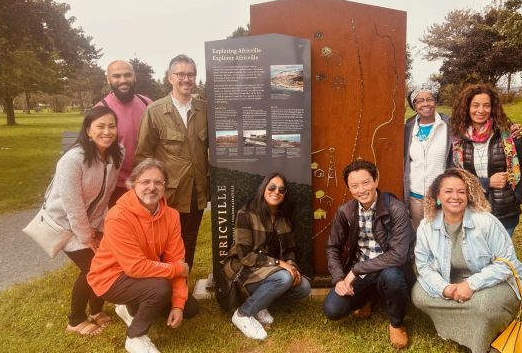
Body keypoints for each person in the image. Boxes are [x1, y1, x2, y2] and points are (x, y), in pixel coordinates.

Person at [412, 167, 522, 353]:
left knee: (483, 305)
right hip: (452, 282)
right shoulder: (426, 226)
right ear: (437, 196)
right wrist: (444, 288)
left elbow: (506, 263)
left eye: (462, 192)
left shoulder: (485, 221)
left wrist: (472, 284)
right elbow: (423, 265)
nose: (456, 196)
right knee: (418, 295)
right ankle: (468, 324)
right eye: (448, 191)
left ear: (468, 196)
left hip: (494, 282)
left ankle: (486, 335)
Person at [87, 158, 199, 353]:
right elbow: (136, 267)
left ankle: (129, 307)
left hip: (144, 274)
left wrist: (179, 305)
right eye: (145, 182)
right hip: (110, 278)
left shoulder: (171, 215)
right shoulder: (118, 216)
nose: (152, 187)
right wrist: (177, 269)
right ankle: (135, 337)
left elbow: (176, 258)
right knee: (160, 289)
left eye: (158, 182)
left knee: (190, 308)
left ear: (165, 186)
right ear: (133, 184)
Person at [44, 106, 124, 335]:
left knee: (106, 261)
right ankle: (75, 320)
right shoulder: (72, 160)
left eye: (111, 126)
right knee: (92, 268)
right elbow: (72, 205)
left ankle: (96, 310)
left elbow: (106, 195)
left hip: (95, 222)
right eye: (100, 127)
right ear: (88, 131)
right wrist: (87, 236)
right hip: (65, 224)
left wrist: (101, 228)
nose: (107, 131)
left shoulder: (116, 153)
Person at [323, 160, 415, 350]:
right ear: (349, 188)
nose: (361, 190)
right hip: (364, 273)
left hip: (390, 269)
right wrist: (339, 279)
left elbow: (398, 255)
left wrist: (355, 270)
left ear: (376, 180)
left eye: (366, 183)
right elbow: (332, 247)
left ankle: (396, 323)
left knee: (392, 276)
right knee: (333, 310)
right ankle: (369, 298)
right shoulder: (345, 211)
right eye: (354, 186)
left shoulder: (396, 209)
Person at [135, 54, 208, 269]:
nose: (186, 79)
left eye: (191, 74)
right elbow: (143, 156)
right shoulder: (154, 111)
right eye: (181, 74)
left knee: (189, 242)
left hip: (196, 191)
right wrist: (148, 192)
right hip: (168, 194)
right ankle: (161, 292)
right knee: (163, 245)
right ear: (170, 78)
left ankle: (182, 291)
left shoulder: (205, 109)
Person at [223, 172, 311, 340]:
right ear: (263, 189)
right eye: (271, 187)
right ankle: (243, 313)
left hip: (271, 272)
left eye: (281, 189)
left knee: (304, 287)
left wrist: (292, 265)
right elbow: (245, 256)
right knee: (283, 278)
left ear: (285, 195)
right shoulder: (247, 214)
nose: (276, 191)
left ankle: (260, 303)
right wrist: (280, 264)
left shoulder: (283, 219)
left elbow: (290, 249)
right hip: (244, 269)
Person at [450, 84, 522, 236]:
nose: (481, 110)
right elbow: (454, 176)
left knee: (500, 258)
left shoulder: (509, 133)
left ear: (492, 108)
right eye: (475, 105)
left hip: (505, 212)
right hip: (470, 209)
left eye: (486, 105)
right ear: (467, 107)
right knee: (475, 257)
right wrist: (487, 182)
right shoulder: (457, 138)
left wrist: (517, 196)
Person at [96, 60, 152, 207]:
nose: (123, 80)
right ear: (108, 79)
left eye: (127, 75)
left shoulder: (147, 104)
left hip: (148, 183)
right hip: (117, 186)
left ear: (134, 77)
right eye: (116, 76)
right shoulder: (101, 109)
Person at [404, 85, 452, 228]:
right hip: (415, 198)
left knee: (442, 236)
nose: (425, 104)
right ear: (414, 105)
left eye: (429, 99)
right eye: (419, 101)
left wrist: (510, 129)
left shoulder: (449, 125)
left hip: (440, 195)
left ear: (435, 101)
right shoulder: (408, 128)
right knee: (419, 238)